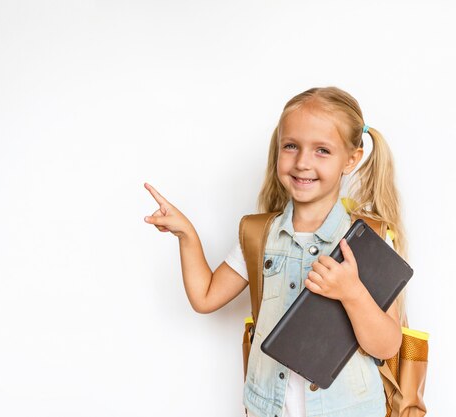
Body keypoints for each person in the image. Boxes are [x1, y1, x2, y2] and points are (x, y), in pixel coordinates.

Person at [143, 86, 409, 417]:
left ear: (351, 160)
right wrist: (187, 235)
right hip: (267, 407)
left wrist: (351, 292)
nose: (302, 162)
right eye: (291, 146)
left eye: (322, 150)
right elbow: (205, 296)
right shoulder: (259, 234)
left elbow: (386, 345)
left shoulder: (368, 240)